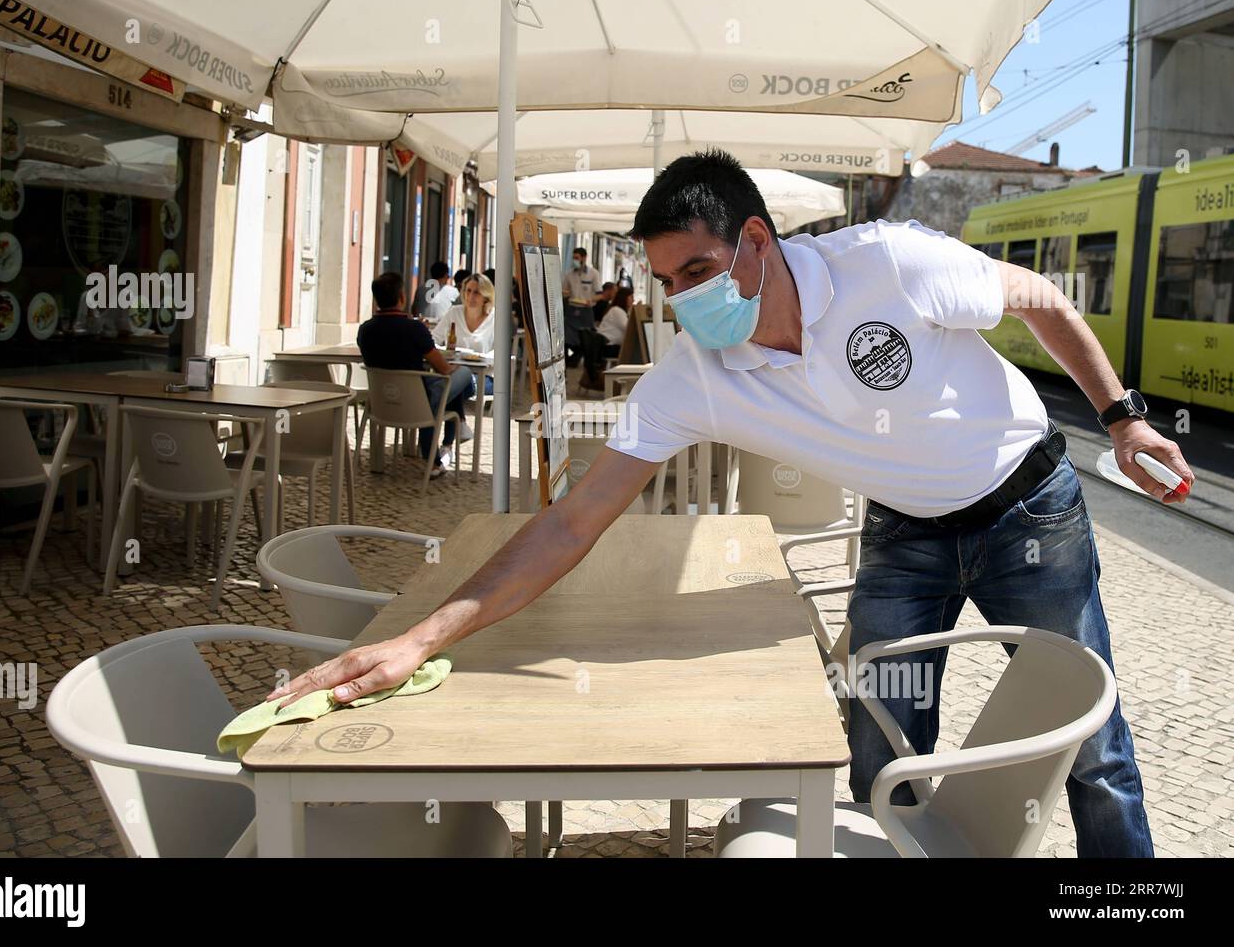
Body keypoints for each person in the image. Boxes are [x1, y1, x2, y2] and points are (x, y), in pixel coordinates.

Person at [274, 150, 1193, 858]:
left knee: (1094, 744)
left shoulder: (894, 264)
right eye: (667, 283)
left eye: (697, 270)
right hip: (904, 528)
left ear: (757, 241)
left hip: (1026, 505)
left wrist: (1122, 421)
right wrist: (418, 639)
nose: (682, 299)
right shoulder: (693, 381)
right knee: (877, 736)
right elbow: (571, 521)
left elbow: (1040, 300)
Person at [357, 271, 474, 478]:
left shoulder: (365, 330)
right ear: (402, 298)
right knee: (464, 376)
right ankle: (458, 428)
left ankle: (454, 432)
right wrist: (453, 368)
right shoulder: (415, 329)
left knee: (440, 393)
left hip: (382, 404)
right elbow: (444, 369)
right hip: (418, 404)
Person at [431, 271, 496, 399]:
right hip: (453, 371)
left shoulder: (495, 318)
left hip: (484, 377)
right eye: (468, 291)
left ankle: (444, 411)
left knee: (451, 384)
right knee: (449, 383)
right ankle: (457, 418)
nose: (470, 296)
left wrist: (478, 357)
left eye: (476, 292)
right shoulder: (454, 313)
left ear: (486, 297)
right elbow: (433, 339)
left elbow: (500, 354)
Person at [562, 246, 601, 366]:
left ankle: (584, 361)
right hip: (572, 309)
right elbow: (564, 290)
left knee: (585, 336)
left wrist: (591, 300)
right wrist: (565, 293)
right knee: (568, 336)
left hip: (586, 310)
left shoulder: (593, 274)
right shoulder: (569, 274)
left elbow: (599, 294)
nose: (575, 260)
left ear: (584, 258)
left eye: (577, 258)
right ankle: (570, 360)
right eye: (573, 258)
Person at [597, 286, 632, 353]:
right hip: (609, 347)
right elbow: (628, 328)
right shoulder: (617, 310)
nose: (633, 300)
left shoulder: (618, 310)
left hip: (607, 345)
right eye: (631, 297)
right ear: (624, 298)